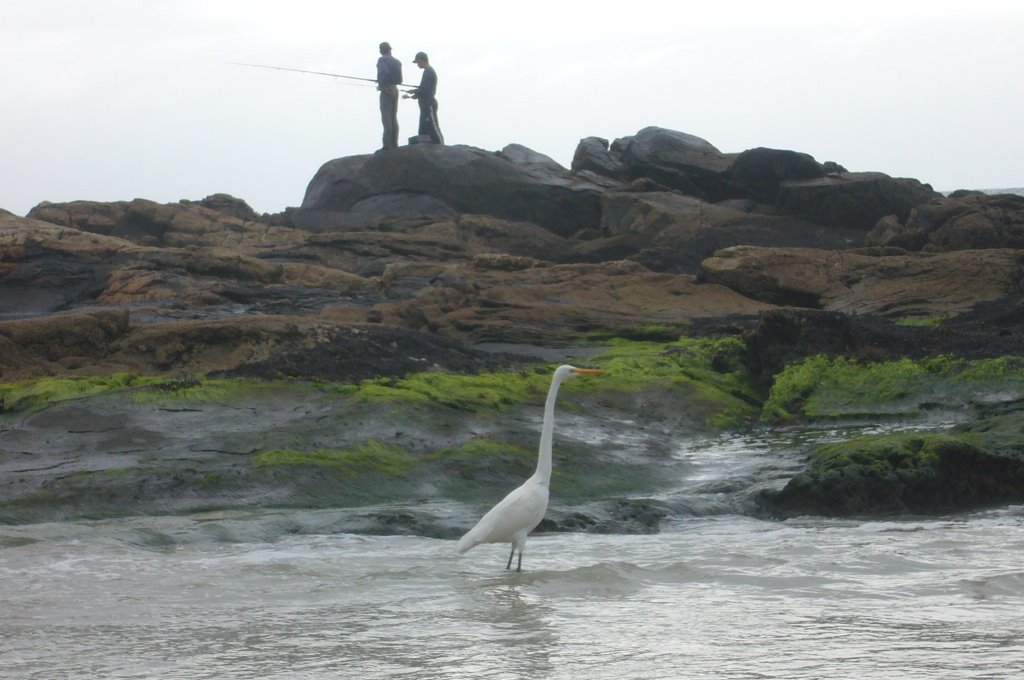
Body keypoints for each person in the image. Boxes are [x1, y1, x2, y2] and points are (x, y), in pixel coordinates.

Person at [410, 51, 443, 144]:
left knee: (433, 130)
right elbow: (424, 90)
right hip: (424, 106)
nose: (417, 65)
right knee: (422, 132)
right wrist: (416, 94)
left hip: (429, 105)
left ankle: (440, 145)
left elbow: (426, 90)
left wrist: (415, 91)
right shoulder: (427, 72)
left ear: (421, 60)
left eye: (417, 62)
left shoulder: (429, 72)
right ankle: (425, 146)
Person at [376, 42, 403, 151]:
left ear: (381, 50)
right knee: (393, 117)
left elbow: (384, 72)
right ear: (390, 50)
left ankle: (387, 145)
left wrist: (383, 86)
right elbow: (400, 80)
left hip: (386, 91)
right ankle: (394, 142)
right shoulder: (397, 62)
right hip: (395, 90)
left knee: (386, 118)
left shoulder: (382, 60)